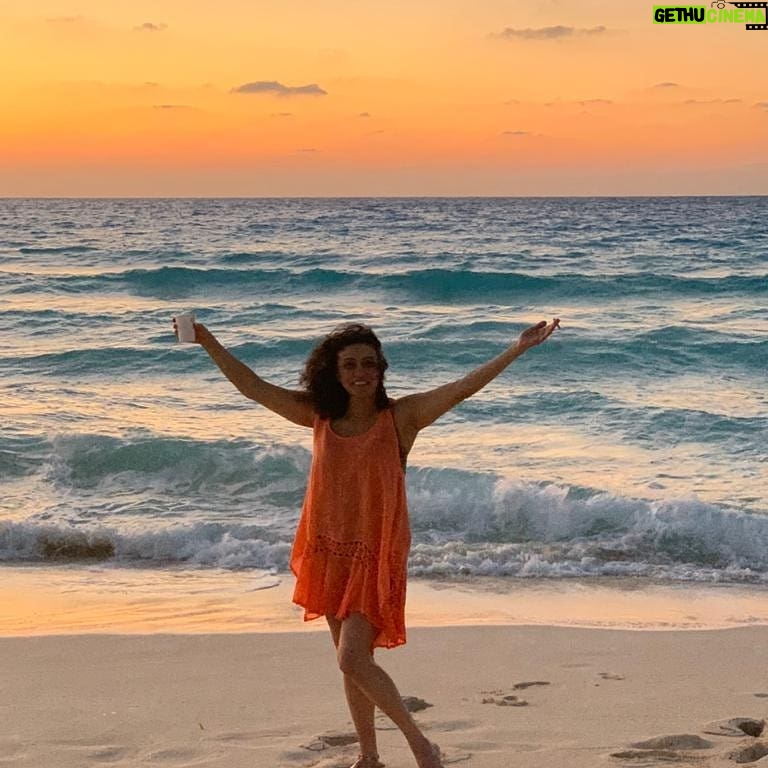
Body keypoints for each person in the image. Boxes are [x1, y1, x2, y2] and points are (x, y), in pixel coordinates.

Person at [175, 316, 560, 768]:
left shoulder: (400, 418)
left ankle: (422, 746)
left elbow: (460, 389)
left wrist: (516, 349)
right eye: (350, 365)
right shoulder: (319, 417)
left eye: (369, 364)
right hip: (327, 548)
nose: (361, 373)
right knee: (351, 660)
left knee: (352, 659)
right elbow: (254, 388)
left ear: (380, 369)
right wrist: (207, 340)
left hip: (375, 553)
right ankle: (369, 755)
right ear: (335, 372)